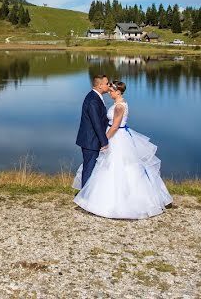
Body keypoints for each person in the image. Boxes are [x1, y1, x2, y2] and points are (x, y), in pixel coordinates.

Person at [73, 80, 173, 219]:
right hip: (117, 136)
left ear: (118, 92)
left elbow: (114, 126)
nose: (110, 92)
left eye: (112, 90)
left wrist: (104, 140)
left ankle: (122, 202)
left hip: (117, 138)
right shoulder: (119, 104)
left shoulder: (120, 107)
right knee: (106, 167)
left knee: (118, 167)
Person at [74, 73, 111, 188]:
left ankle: (88, 196)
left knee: (91, 168)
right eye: (107, 83)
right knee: (89, 169)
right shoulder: (93, 100)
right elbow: (97, 124)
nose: (109, 85)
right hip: (90, 140)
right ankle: (84, 199)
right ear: (100, 86)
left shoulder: (95, 97)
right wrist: (104, 141)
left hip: (91, 139)